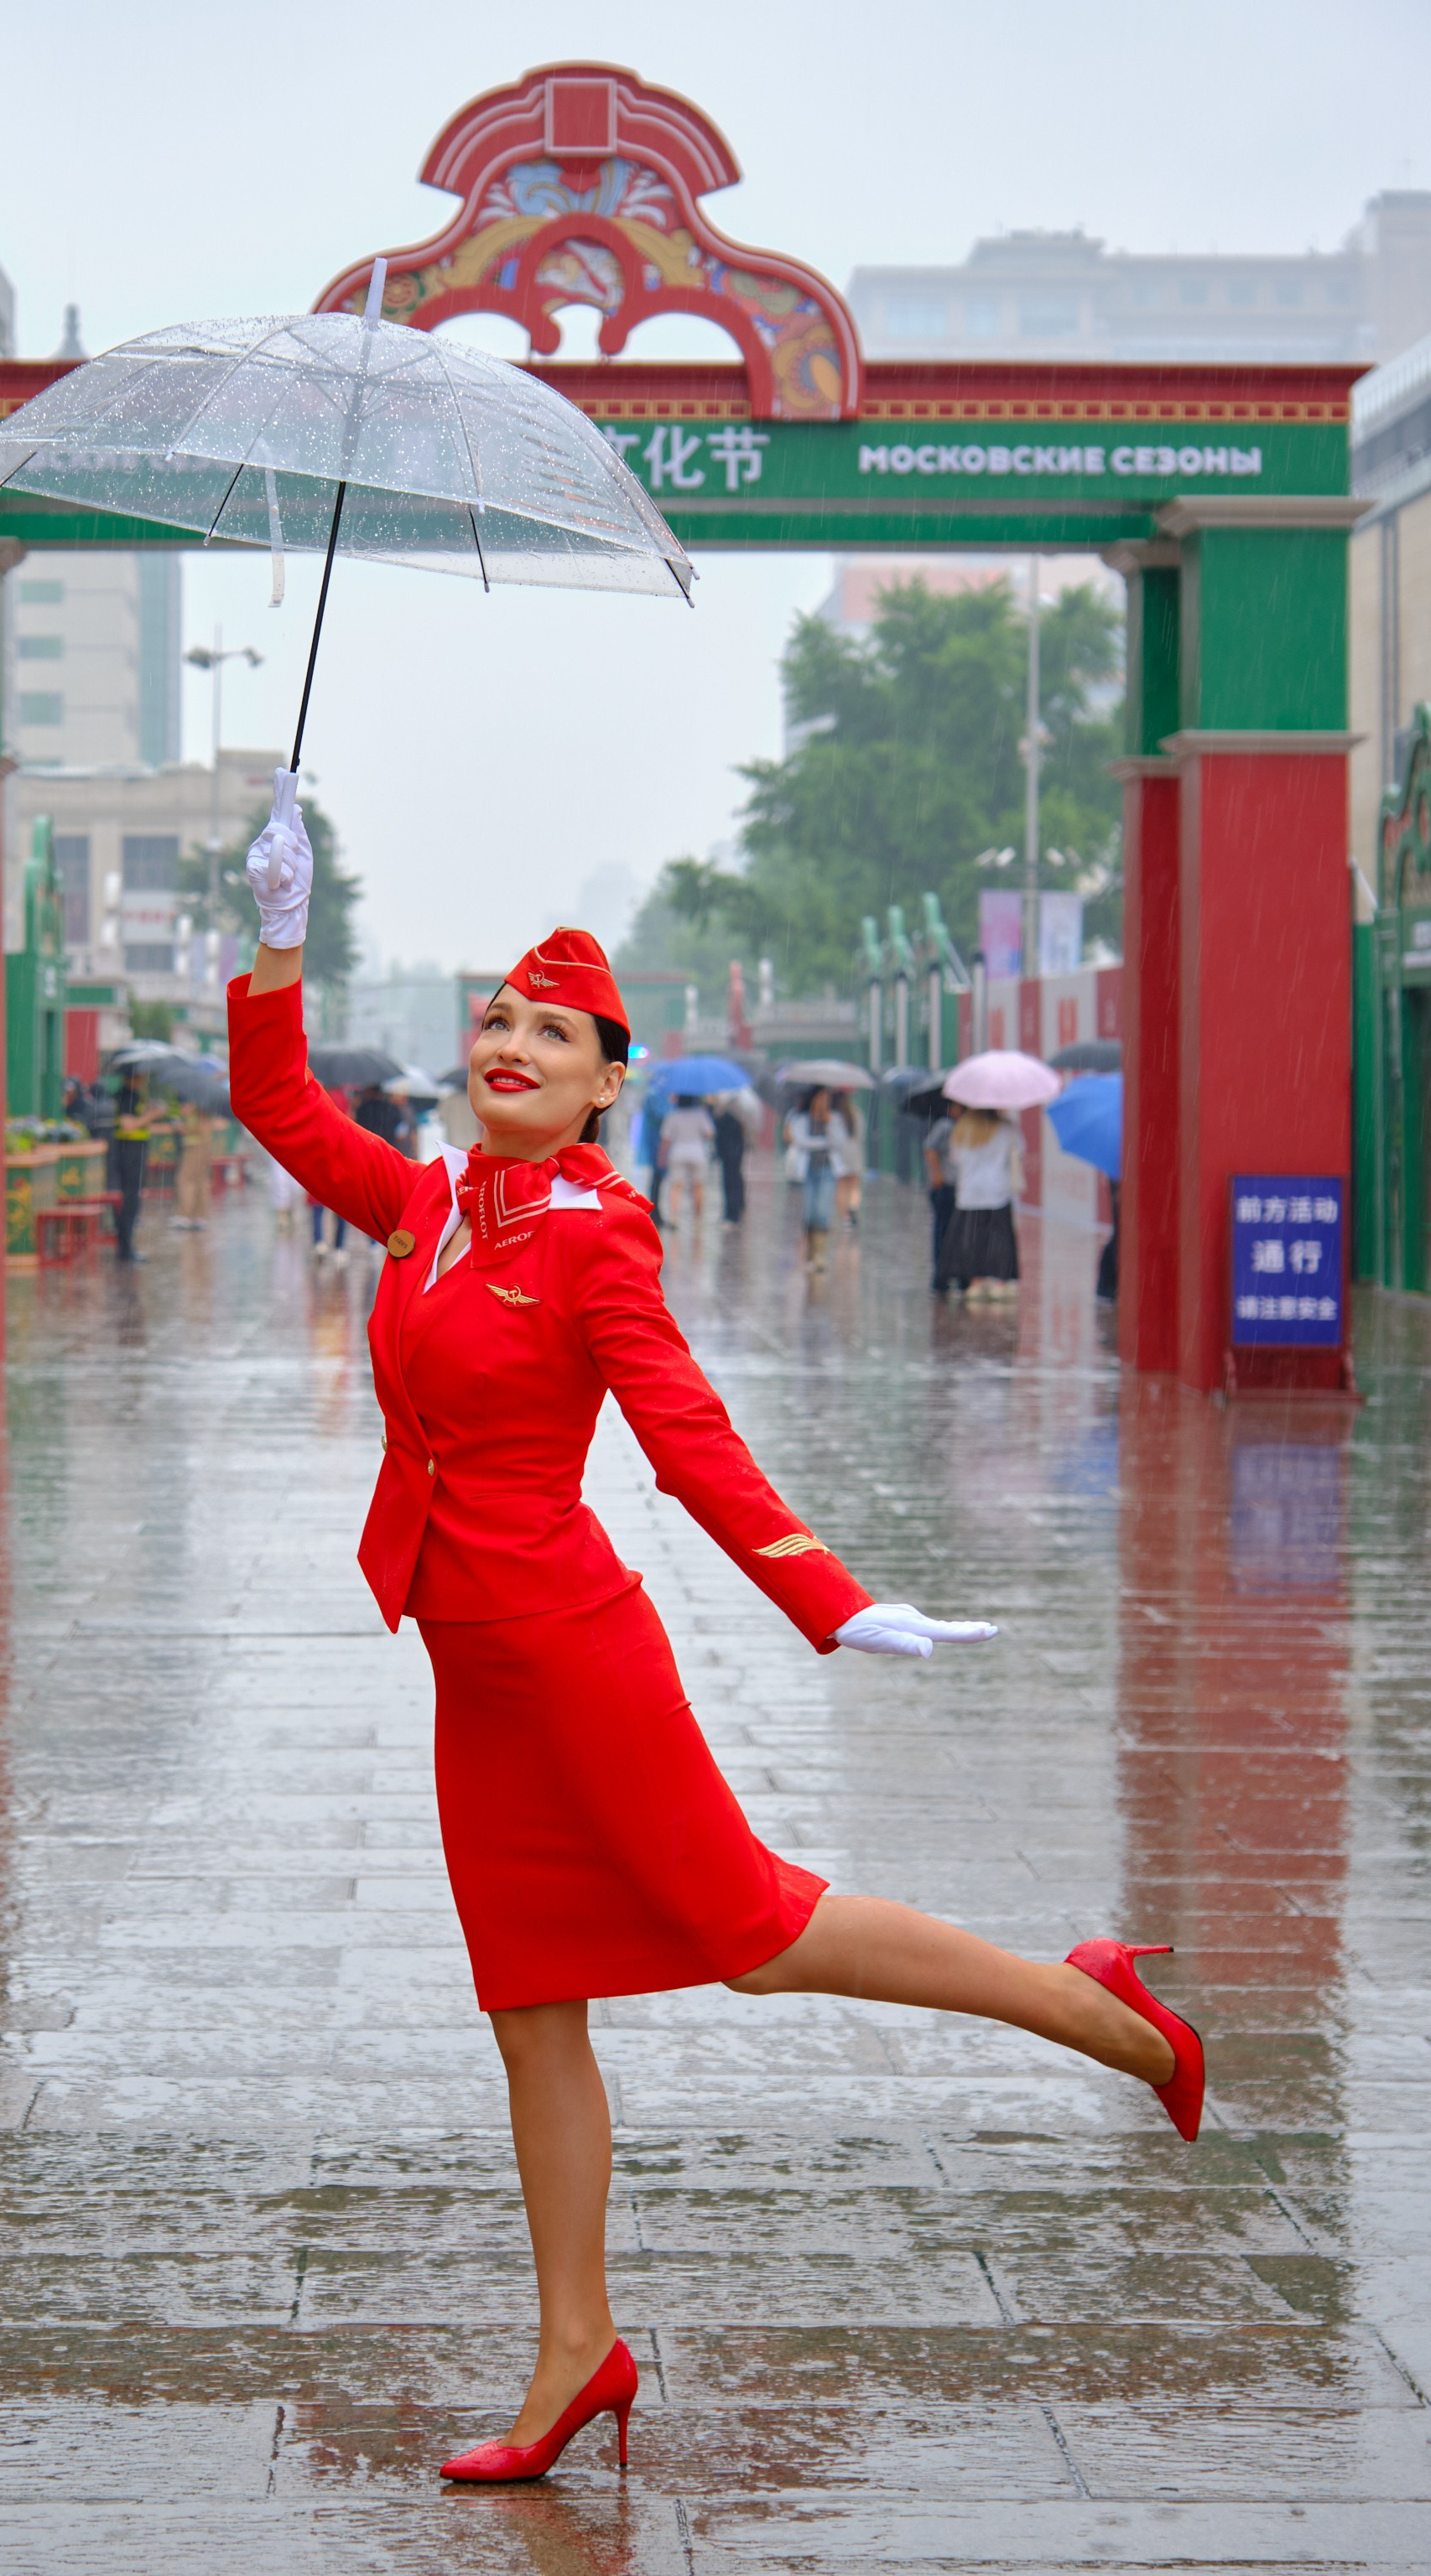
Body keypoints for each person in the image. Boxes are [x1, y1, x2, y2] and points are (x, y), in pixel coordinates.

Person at [227, 771, 1205, 2487]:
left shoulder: (600, 1241)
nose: (508, 1044)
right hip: (476, 1676)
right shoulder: (430, 1205)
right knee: (531, 2007)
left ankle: (1098, 2009)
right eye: (496, 1020)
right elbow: (277, 1100)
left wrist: (826, 1595)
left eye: (552, 1033)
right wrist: (280, 935)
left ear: (613, 1084)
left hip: (576, 1656)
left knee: (752, 1933)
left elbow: (683, 1426)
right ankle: (571, 2356)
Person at [935, 1105, 1023, 1301]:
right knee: (999, 1238)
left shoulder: (962, 1130)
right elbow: (1019, 1150)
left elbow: (955, 1159)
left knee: (972, 1239)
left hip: (969, 1193)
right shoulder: (1006, 1129)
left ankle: (975, 1281)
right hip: (997, 1191)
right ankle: (998, 1280)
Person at [783, 1088, 840, 1270]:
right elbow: (800, 1140)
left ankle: (819, 1255)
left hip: (827, 1170)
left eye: (827, 1098)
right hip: (807, 1170)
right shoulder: (800, 1118)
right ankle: (810, 1249)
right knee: (808, 1212)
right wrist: (823, 1142)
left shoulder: (834, 1119)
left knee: (822, 1211)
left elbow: (839, 1142)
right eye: (821, 1098)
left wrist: (829, 1125)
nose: (824, 1102)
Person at [108, 1075, 159, 1265]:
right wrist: (152, 1115)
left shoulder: (135, 1096)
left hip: (135, 1152)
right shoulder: (126, 1096)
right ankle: (125, 1248)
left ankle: (127, 1246)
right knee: (130, 1201)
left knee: (132, 1200)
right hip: (129, 1154)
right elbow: (128, 1125)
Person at [658, 1092, 715, 1229]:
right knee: (698, 1186)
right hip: (698, 1153)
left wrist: (661, 1156)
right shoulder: (701, 1115)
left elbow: (666, 1139)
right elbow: (710, 1133)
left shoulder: (672, 1116)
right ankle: (698, 1218)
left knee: (676, 1186)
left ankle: (674, 1218)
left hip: (677, 1153)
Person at [923, 1106, 956, 1285]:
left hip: (959, 1188)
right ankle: (941, 1274)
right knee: (942, 1229)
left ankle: (955, 1273)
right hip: (945, 1186)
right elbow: (930, 1149)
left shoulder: (965, 1126)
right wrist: (937, 1176)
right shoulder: (945, 1126)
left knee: (954, 1231)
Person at [173, 1103, 216, 1229]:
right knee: (199, 1180)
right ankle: (198, 1216)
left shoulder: (201, 1108)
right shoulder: (198, 1106)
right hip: (200, 1146)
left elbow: (203, 1129)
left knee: (186, 1180)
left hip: (196, 1147)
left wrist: (182, 1128)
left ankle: (185, 1215)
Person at [712, 1097, 747, 1224]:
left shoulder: (727, 1117)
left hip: (730, 1156)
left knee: (730, 1183)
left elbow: (719, 1135)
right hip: (733, 1155)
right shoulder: (738, 1118)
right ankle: (734, 1211)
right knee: (734, 1181)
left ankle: (732, 1214)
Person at [832, 1092, 863, 1233]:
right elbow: (861, 1133)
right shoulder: (856, 1113)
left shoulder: (834, 1116)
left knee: (842, 1186)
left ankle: (845, 1218)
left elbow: (834, 1138)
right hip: (855, 1151)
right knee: (854, 1185)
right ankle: (853, 1209)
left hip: (841, 1154)